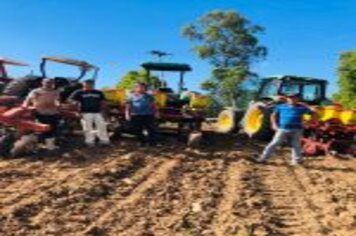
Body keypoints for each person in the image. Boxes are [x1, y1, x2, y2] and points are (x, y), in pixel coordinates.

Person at [257, 94, 317, 165]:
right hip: (283, 129)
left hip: (297, 129)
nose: (292, 99)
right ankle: (263, 158)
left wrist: (308, 123)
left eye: (294, 98)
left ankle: (296, 161)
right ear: (287, 99)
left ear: (297, 99)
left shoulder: (302, 108)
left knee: (296, 144)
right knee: (274, 143)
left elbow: (313, 113)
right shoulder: (281, 106)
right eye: (290, 98)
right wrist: (274, 124)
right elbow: (273, 115)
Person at [69, 79, 110, 147]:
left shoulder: (98, 92)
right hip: (85, 112)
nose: (89, 85)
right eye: (87, 84)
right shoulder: (79, 92)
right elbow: (70, 99)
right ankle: (90, 142)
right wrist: (75, 104)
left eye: (91, 84)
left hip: (98, 112)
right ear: (83, 84)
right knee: (87, 128)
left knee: (102, 126)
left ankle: (104, 141)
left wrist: (104, 111)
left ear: (93, 85)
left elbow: (103, 102)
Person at [22, 78, 61, 150]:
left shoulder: (55, 92)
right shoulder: (36, 91)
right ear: (42, 83)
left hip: (53, 112)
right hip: (41, 112)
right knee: (43, 128)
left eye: (51, 83)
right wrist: (25, 105)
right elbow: (28, 99)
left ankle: (50, 146)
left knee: (53, 128)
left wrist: (58, 105)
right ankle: (30, 142)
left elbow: (57, 100)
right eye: (47, 82)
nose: (49, 84)